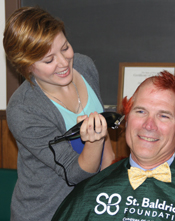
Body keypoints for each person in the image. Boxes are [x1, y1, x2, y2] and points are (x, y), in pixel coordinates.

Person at [52, 71, 175, 220]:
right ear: (126, 120)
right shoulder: (87, 195)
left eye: (163, 115)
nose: (149, 125)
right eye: (140, 111)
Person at [3, 6, 115, 220]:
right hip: (46, 213)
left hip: (88, 207)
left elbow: (106, 149)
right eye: (48, 60)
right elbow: (76, 173)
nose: (64, 63)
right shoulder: (24, 110)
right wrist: (93, 141)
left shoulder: (85, 66)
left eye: (65, 48)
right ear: (26, 66)